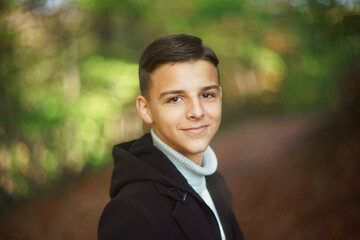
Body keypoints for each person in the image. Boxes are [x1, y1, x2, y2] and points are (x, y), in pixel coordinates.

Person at [98, 34, 245, 240]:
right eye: (175, 98)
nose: (197, 111)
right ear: (146, 109)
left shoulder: (215, 182)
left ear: (219, 96)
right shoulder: (130, 213)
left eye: (206, 95)